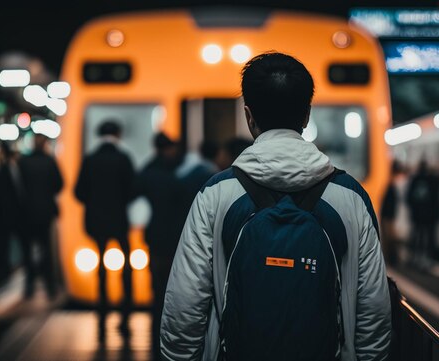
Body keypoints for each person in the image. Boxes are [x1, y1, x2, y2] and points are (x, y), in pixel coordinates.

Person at [161, 52, 391, 360]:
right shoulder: (351, 197)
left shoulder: (216, 194)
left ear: (248, 115)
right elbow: (374, 309)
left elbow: (185, 304)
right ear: (307, 115)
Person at [75, 121, 136, 337]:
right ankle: (125, 317)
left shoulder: (90, 159)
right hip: (119, 221)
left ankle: (101, 317)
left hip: (96, 223)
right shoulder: (123, 159)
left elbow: (79, 192)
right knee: (126, 268)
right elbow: (133, 191)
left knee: (101, 269)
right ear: (117, 134)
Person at [133, 132, 185, 360]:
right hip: (176, 239)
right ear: (169, 149)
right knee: (177, 292)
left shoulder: (148, 171)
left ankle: (156, 344)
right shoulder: (178, 172)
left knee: (158, 293)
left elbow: (135, 192)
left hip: (155, 238)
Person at [18, 134, 63, 299]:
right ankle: (50, 286)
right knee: (46, 249)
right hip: (46, 212)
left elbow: (18, 187)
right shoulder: (50, 162)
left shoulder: (23, 162)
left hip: (26, 212)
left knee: (27, 250)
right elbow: (60, 184)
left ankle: (29, 286)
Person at [0, 142, 25, 289]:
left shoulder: (2, 171)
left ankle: (4, 272)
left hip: (5, 217)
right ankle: (4, 272)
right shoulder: (7, 170)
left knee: (4, 246)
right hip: (6, 216)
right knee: (4, 246)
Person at [405, 159, 439, 268]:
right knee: (428, 239)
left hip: (417, 215)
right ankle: (427, 260)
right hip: (429, 216)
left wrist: (414, 209)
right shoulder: (432, 180)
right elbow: (436, 199)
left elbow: (409, 198)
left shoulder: (415, 180)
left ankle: (414, 258)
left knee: (416, 236)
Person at [381, 161, 401, 266]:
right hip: (389, 216)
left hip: (388, 216)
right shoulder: (391, 186)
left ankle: (392, 259)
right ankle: (392, 259)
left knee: (389, 238)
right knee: (390, 238)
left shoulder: (390, 185)